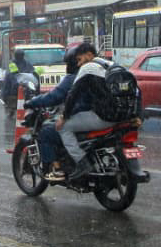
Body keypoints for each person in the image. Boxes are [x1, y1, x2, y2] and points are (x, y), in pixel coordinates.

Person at [23, 45, 82, 182]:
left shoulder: (73, 78)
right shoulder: (98, 73)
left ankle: (56, 169)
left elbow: (55, 96)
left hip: (82, 119)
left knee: (46, 132)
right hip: (101, 119)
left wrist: (32, 102)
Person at [55, 42, 112, 180]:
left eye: (80, 59)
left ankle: (82, 162)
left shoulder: (88, 68)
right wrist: (138, 115)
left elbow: (73, 94)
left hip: (104, 116)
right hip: (123, 116)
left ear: (89, 55)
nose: (79, 64)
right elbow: (136, 90)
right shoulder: (112, 65)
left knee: (64, 128)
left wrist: (64, 116)